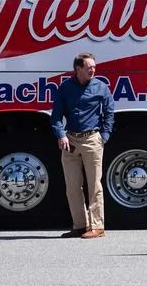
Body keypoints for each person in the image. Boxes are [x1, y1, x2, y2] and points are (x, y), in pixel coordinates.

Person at [50, 53, 115, 239]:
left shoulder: (101, 87)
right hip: (70, 140)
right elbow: (55, 117)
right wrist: (61, 135)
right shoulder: (65, 88)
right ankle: (80, 225)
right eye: (89, 67)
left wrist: (104, 136)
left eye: (94, 66)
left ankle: (97, 226)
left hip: (92, 139)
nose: (93, 70)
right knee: (72, 186)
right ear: (78, 69)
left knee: (94, 185)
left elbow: (109, 113)